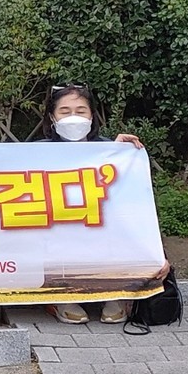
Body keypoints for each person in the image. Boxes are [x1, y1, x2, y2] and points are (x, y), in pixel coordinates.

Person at [40, 84, 145, 324]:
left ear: (92, 116)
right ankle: (62, 296)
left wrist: (119, 153)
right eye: (65, 111)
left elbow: (132, 199)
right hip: (57, 222)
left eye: (81, 110)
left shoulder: (108, 148)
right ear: (52, 118)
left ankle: (113, 293)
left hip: (97, 220)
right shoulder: (36, 151)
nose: (73, 117)